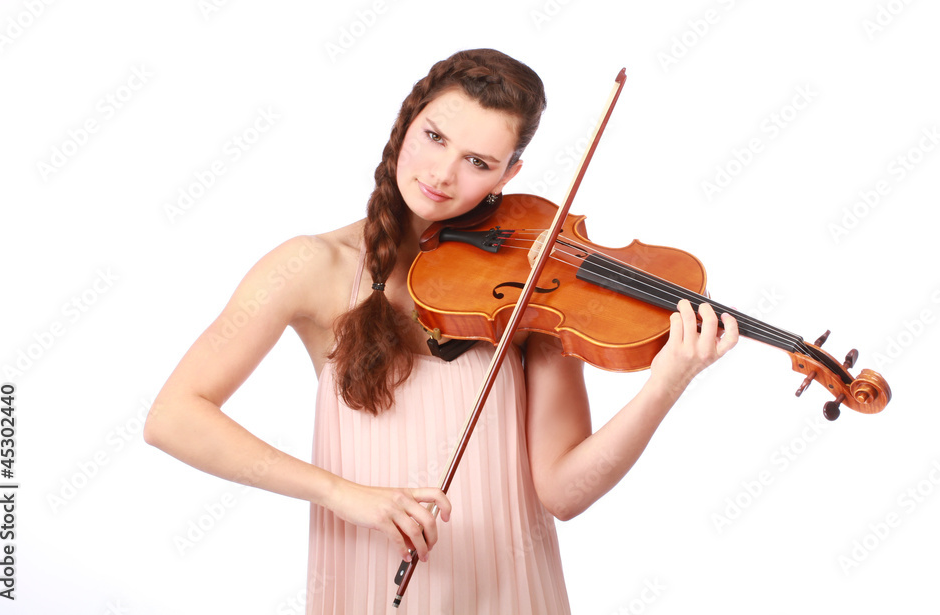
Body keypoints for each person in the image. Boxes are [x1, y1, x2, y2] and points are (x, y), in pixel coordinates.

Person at [144, 48, 739, 614]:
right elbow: (173, 417)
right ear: (407, 122)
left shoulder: (532, 289)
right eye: (434, 137)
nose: (442, 175)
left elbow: (564, 491)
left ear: (510, 173)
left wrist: (665, 383)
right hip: (371, 583)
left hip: (509, 590)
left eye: (478, 162)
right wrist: (342, 494)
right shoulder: (311, 267)